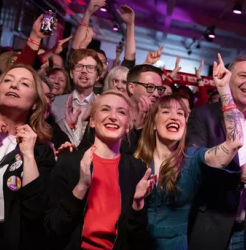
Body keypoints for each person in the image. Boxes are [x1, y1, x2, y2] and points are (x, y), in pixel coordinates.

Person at [134, 54, 245, 250]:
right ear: (153, 123)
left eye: (181, 113)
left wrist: (224, 89)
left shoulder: (193, 158)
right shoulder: (136, 158)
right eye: (166, 111)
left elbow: (235, 141)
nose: (175, 117)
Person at [187, 54, 246, 250]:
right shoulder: (203, 115)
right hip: (211, 225)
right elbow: (192, 169)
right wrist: (238, 177)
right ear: (228, 78)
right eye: (244, 75)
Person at [45, 90, 153, 250]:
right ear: (93, 121)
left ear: (128, 126)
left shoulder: (137, 169)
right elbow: (52, 229)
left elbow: (137, 240)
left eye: (121, 112)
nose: (113, 116)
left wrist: (138, 205)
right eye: (105, 109)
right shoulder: (69, 163)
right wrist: (81, 187)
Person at [0, 64, 55, 250]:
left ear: (35, 104)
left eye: (24, 84)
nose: (13, 86)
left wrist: (29, 155)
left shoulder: (41, 150)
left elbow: (34, 211)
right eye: (7, 80)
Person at [51, 49, 104, 146]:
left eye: (90, 68)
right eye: (79, 66)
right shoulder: (54, 103)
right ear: (71, 73)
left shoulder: (102, 106)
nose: (84, 71)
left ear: (97, 76)